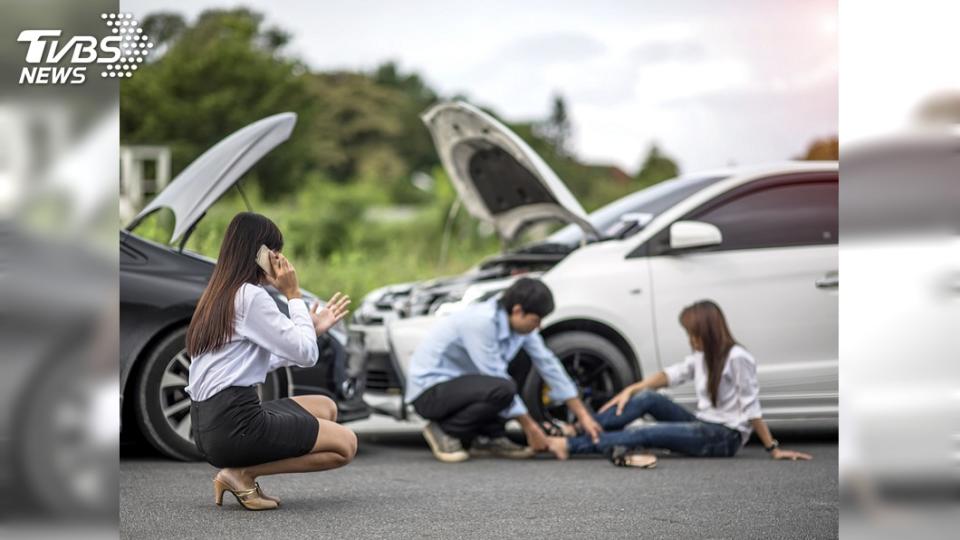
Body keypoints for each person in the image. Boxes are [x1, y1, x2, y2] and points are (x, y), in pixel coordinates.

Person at [185, 212, 356, 510]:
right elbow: (306, 356)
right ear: (259, 254)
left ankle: (239, 471)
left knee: (325, 407)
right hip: (234, 425)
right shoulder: (251, 296)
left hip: (210, 423)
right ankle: (242, 473)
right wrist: (293, 295)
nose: (279, 259)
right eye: (274, 251)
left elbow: (256, 360)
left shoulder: (220, 293)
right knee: (346, 445)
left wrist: (311, 328)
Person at [545, 300, 812, 467]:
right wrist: (632, 389)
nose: (689, 339)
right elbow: (670, 375)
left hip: (723, 438)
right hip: (704, 424)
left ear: (705, 332)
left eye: (692, 334)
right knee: (648, 398)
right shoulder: (703, 356)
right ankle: (576, 429)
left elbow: (752, 408)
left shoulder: (737, 358)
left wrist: (773, 448)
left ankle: (570, 444)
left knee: (646, 433)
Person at [405, 277, 603, 462]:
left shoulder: (519, 329)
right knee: (503, 387)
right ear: (518, 311)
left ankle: (488, 437)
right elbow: (494, 375)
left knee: (522, 362)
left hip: (462, 387)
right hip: (429, 392)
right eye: (536, 320)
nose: (539, 326)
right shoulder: (480, 322)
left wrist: (584, 416)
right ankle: (444, 430)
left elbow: (548, 364)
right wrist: (531, 429)